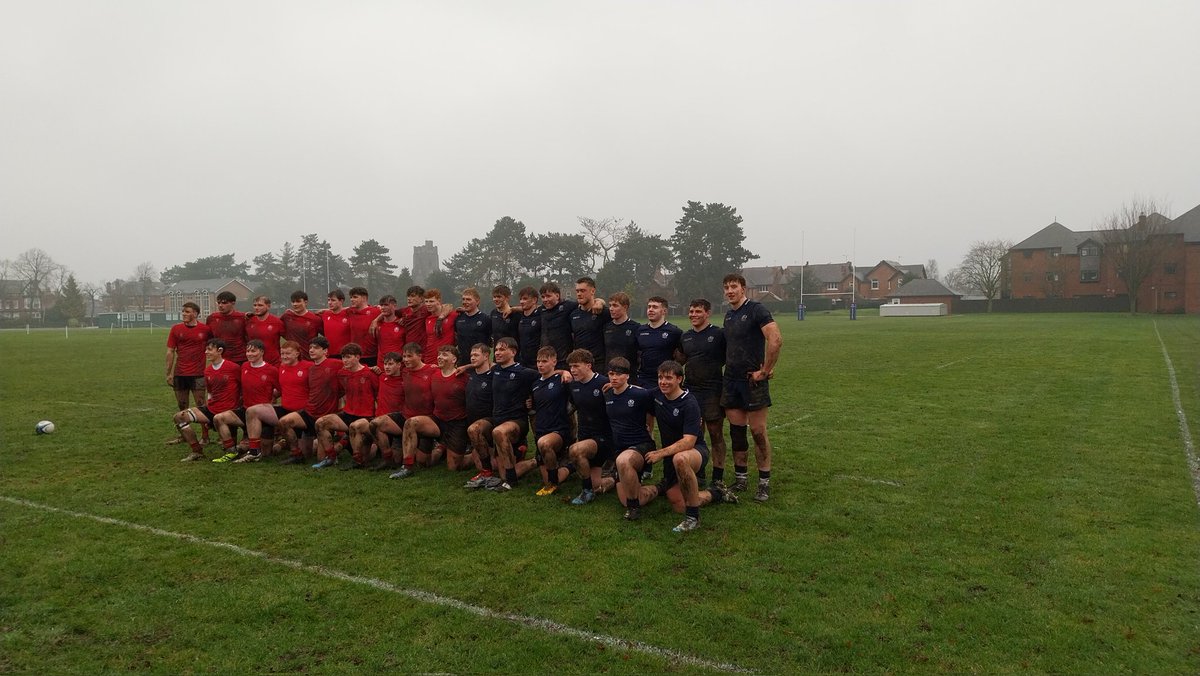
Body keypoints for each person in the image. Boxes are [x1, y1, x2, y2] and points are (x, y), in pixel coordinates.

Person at [647, 361, 736, 532]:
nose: (663, 382)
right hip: (670, 457)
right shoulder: (657, 394)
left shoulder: (689, 403)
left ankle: (693, 518)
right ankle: (716, 493)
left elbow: (689, 441)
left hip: (694, 451)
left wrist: (660, 453)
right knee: (679, 504)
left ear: (679, 379)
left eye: (668, 378)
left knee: (680, 459)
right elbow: (636, 393)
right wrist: (611, 385)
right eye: (660, 378)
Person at [721, 272, 783, 502]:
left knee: (757, 432)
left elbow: (775, 339)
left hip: (752, 381)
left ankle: (764, 483)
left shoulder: (757, 310)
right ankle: (741, 479)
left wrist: (765, 370)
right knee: (737, 433)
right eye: (726, 287)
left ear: (743, 288)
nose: (730, 291)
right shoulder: (728, 315)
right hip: (731, 381)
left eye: (734, 286)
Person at [393, 345, 473, 477]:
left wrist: (468, 366)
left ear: (454, 359)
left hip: (457, 424)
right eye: (439, 354)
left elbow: (489, 367)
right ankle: (407, 466)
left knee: (454, 467)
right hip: (437, 420)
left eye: (444, 355)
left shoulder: (464, 377)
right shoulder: (433, 373)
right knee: (411, 424)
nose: (440, 357)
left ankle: (474, 454)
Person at [677, 298, 727, 487]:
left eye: (698, 311)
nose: (693, 315)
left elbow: (730, 357)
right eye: (691, 311)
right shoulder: (685, 337)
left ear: (708, 313)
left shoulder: (719, 334)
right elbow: (679, 360)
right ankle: (699, 473)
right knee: (695, 435)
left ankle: (718, 477)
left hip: (713, 391)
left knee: (715, 433)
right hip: (691, 391)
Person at [484, 337, 541, 491]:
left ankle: (512, 481)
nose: (497, 352)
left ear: (513, 352)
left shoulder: (523, 372)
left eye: (502, 349)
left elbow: (545, 377)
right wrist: (464, 367)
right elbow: (479, 366)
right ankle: (530, 458)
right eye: (496, 349)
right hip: (498, 420)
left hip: (517, 422)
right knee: (500, 471)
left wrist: (563, 372)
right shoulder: (495, 370)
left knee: (499, 432)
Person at [276, 335, 343, 464]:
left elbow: (354, 368)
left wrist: (374, 369)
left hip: (325, 415)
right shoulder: (310, 368)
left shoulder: (335, 364)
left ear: (325, 351)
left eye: (316, 348)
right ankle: (296, 454)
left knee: (320, 458)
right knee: (284, 422)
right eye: (310, 347)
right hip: (309, 412)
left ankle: (341, 445)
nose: (311, 350)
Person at [605, 357, 657, 520]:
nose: (614, 378)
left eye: (619, 374)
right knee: (624, 499)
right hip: (619, 448)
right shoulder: (607, 394)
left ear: (627, 376)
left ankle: (634, 509)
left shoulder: (640, 394)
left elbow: (661, 407)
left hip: (641, 446)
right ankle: (659, 488)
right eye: (611, 374)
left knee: (623, 461)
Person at [211, 339, 279, 463]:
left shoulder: (271, 370)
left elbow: (281, 390)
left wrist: (272, 398)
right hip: (245, 410)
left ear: (262, 352)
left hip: (262, 415)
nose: (249, 354)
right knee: (218, 418)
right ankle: (231, 451)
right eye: (248, 351)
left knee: (267, 453)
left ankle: (279, 443)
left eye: (253, 351)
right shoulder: (244, 366)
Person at [312, 342, 378, 469]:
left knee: (366, 453)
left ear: (357, 357)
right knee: (320, 423)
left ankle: (360, 459)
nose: (345, 360)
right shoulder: (342, 374)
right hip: (348, 414)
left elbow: (379, 395)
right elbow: (341, 391)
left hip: (366, 417)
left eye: (348, 357)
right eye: (343, 357)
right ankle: (331, 457)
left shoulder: (370, 374)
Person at [172, 338, 239, 462]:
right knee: (179, 417)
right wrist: (208, 412)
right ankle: (197, 451)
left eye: (209, 349)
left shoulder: (234, 368)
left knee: (226, 434)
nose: (206, 352)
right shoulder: (207, 371)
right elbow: (210, 393)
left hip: (229, 411)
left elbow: (243, 389)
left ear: (220, 351)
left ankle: (232, 451)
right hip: (212, 409)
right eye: (206, 349)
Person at [241, 340, 308, 463]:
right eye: (282, 353)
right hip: (285, 409)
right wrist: (271, 397)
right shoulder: (281, 368)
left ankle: (282, 444)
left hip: (303, 413)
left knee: (310, 452)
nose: (284, 356)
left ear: (297, 353)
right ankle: (254, 452)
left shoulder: (308, 367)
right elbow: (282, 388)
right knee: (253, 411)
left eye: (288, 353)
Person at [565, 348, 616, 505]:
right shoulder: (573, 385)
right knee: (597, 485)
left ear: (588, 365)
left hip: (603, 438)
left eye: (576, 366)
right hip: (585, 436)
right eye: (570, 367)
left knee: (575, 450)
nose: (573, 370)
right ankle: (616, 478)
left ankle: (586, 492)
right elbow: (571, 407)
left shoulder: (604, 383)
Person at [165, 301, 212, 445]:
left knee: (201, 405)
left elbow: (214, 348)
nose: (184, 314)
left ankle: (205, 436)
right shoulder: (176, 329)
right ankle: (185, 435)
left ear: (195, 313)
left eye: (187, 311)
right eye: (183, 311)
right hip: (180, 373)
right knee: (182, 406)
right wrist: (168, 373)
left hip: (198, 374)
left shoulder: (205, 330)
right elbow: (170, 351)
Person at [387, 342, 436, 478]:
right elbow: (389, 369)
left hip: (429, 418)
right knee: (377, 423)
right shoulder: (404, 371)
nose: (406, 359)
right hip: (406, 415)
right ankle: (399, 464)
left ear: (420, 356)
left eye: (409, 356)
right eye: (404, 356)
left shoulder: (433, 370)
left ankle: (439, 448)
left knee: (424, 462)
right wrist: (375, 369)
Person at [531, 346, 574, 496]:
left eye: (544, 361)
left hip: (558, 430)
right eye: (538, 361)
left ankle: (553, 485)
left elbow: (574, 401)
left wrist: (564, 372)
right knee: (547, 477)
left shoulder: (562, 380)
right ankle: (571, 467)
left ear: (554, 362)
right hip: (541, 430)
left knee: (545, 444)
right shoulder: (535, 384)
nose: (540, 364)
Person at [462, 343, 498, 488]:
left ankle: (487, 472)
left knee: (474, 429)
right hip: (471, 420)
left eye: (476, 355)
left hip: (490, 421)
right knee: (459, 464)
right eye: (471, 355)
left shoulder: (494, 375)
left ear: (486, 356)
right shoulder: (470, 375)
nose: (472, 357)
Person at [365, 351, 407, 471]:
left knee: (399, 460)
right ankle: (382, 458)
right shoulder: (381, 377)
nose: (387, 367)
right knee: (358, 427)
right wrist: (372, 368)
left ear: (399, 365)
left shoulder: (405, 379)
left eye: (390, 364)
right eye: (385, 364)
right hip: (377, 421)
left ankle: (389, 456)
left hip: (396, 423)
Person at [570, 276, 610, 366]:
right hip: (580, 364)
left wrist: (600, 302)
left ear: (593, 291)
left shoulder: (603, 312)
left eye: (582, 291)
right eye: (577, 291)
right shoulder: (573, 314)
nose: (579, 294)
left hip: (598, 363)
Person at [603, 291, 640, 377]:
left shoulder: (636, 328)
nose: (611, 309)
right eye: (610, 305)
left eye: (615, 305)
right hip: (609, 375)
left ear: (625, 307)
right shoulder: (606, 327)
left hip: (629, 376)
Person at [206, 291, 247, 363]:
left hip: (240, 358)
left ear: (233, 303)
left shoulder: (242, 318)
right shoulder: (212, 318)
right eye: (219, 303)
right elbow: (209, 338)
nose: (220, 305)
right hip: (220, 358)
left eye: (224, 303)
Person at [454, 287, 491, 366]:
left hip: (480, 364)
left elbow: (490, 341)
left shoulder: (485, 319)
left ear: (477, 301)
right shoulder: (459, 318)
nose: (465, 302)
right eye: (463, 299)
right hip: (462, 363)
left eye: (468, 299)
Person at [346, 287, 381, 368]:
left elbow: (390, 312)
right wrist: (323, 311)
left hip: (372, 355)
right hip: (355, 355)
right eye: (351, 297)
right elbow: (337, 309)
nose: (352, 299)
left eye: (355, 297)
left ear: (364, 298)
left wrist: (376, 320)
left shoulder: (376, 311)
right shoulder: (350, 311)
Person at [245, 295, 285, 365]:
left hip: (273, 363)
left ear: (268, 306)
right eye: (255, 305)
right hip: (254, 362)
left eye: (260, 305)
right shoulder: (249, 321)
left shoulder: (277, 322)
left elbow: (289, 340)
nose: (256, 308)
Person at [280, 290, 322, 355]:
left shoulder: (315, 319)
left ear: (306, 302)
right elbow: (276, 328)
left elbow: (328, 335)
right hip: (292, 357)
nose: (295, 304)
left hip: (309, 357)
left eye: (298, 301)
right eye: (293, 301)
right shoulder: (287, 316)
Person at [422, 288, 457, 365]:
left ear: (439, 301)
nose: (428, 304)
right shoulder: (428, 319)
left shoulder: (452, 315)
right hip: (429, 359)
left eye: (431, 301)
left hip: (446, 360)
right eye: (426, 301)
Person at [374, 295, 406, 369]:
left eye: (386, 305)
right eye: (381, 305)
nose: (383, 307)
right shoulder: (376, 324)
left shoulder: (402, 323)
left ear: (394, 306)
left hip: (398, 366)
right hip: (381, 366)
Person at [515, 286, 542, 368]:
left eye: (525, 299)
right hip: (522, 361)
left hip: (537, 362)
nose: (521, 302)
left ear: (534, 300)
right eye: (520, 299)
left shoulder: (541, 315)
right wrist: (512, 309)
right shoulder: (519, 316)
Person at [321, 289, 352, 357]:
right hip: (329, 354)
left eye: (333, 300)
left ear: (341, 301)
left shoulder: (349, 313)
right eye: (328, 300)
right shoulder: (325, 314)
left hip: (345, 354)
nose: (330, 302)